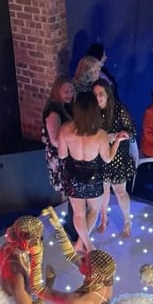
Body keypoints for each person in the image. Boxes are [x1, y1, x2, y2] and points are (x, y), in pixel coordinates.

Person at [58, 91, 128, 253]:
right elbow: (107, 159)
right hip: (93, 177)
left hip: (74, 176)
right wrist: (117, 141)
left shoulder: (66, 129)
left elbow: (62, 155)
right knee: (94, 210)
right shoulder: (100, 134)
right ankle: (87, 245)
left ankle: (81, 243)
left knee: (78, 214)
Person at [93, 79, 136, 237]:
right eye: (95, 94)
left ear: (107, 94)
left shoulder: (119, 109)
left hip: (118, 156)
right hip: (101, 155)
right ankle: (104, 217)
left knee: (120, 191)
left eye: (101, 94)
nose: (98, 97)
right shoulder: (92, 111)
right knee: (103, 190)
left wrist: (118, 136)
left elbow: (132, 132)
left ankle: (127, 220)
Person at [41, 76, 75, 198]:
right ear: (57, 91)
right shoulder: (53, 112)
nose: (69, 94)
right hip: (59, 156)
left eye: (71, 91)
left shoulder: (67, 106)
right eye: (66, 91)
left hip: (66, 154)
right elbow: (55, 141)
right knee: (68, 191)